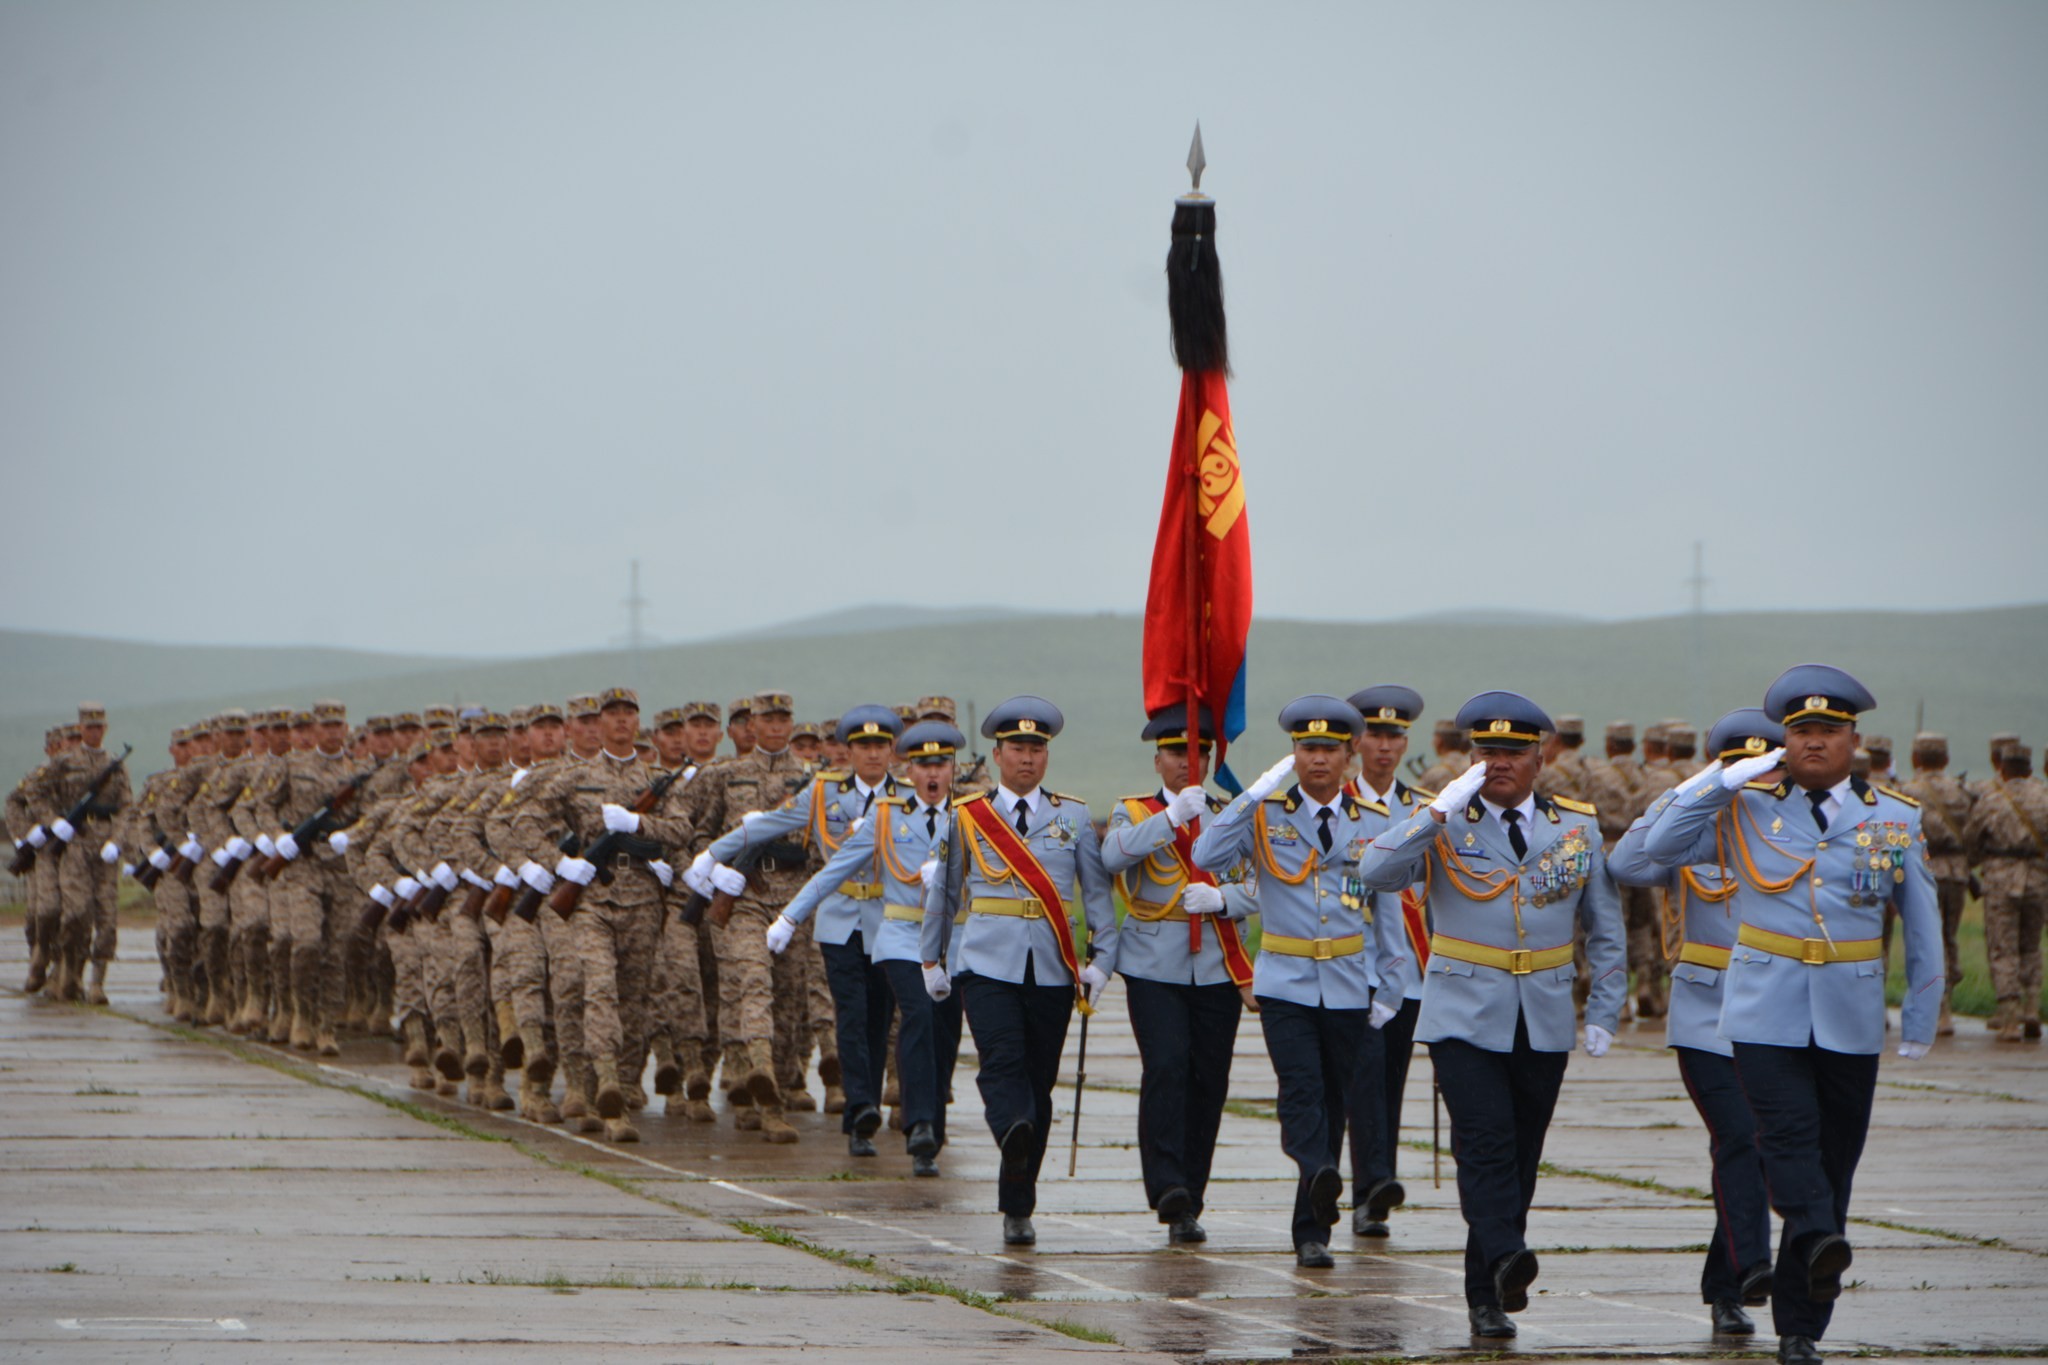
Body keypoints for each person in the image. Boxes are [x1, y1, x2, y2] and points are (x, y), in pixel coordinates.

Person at [1640, 664, 1942, 1365]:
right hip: (1762, 1007)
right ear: (1785, 740)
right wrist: (1720, 781)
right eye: (1801, 730)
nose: (1814, 741)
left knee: (1835, 1162)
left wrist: (1921, 1016)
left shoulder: (1894, 817)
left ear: (1853, 739)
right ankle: (1813, 1241)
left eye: (1828, 730)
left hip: (1850, 1009)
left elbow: (1922, 922)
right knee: (1784, 1138)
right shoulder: (1747, 807)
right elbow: (1656, 848)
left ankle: (1803, 1326)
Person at [1357, 691, 1625, 1338]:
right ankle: (1505, 1255)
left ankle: (1491, 1286)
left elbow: (1605, 926)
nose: (1497, 762)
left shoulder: (1575, 826)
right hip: (1463, 1011)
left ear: (1540, 759)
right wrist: (1434, 812)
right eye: (1486, 751)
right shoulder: (1446, 820)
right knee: (1484, 1143)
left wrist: (1606, 1005)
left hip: (1544, 1013)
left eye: (1511, 752)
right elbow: (1376, 870)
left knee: (1522, 1153)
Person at [1193, 695, 1407, 1268]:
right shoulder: (1267, 814)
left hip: (1348, 981)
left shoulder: (1374, 822)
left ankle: (1312, 1233)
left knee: (1334, 1100)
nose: (1318, 759)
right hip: (1285, 981)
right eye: (1307, 748)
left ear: (1348, 755)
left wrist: (1392, 986)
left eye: (1329, 750)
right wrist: (1250, 797)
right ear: (1293, 754)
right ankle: (1317, 1170)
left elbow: (1387, 912)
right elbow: (1207, 854)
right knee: (1301, 1088)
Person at [920, 695, 1118, 1248]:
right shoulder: (967, 815)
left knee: (1039, 1082)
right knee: (1001, 1063)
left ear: (1046, 756)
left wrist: (1103, 960)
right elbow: (944, 893)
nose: (1027, 758)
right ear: (998, 755)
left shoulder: (1072, 816)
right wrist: (931, 958)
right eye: (1017, 748)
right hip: (986, 962)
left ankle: (1018, 1202)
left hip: (1052, 966)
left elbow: (1096, 895)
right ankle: (1011, 1126)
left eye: (1036, 748)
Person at [1611, 707, 1784, 1338]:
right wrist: (1691, 790)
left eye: (1765, 768)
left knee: (1760, 1149)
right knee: (1738, 1136)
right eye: (1741, 767)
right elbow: (1627, 863)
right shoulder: (1693, 831)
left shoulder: (1788, 833)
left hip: (1773, 1010)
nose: (1755, 780)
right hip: (1705, 1014)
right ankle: (1752, 1266)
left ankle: (1725, 1285)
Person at [779, 719, 965, 1175]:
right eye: (924, 766)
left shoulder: (970, 817)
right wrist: (790, 916)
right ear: (910, 772)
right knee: (917, 1014)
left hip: (953, 941)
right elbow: (836, 868)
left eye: (941, 764)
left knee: (944, 1031)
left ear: (953, 770)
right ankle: (919, 1127)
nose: (933, 774)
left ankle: (932, 1127)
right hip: (900, 936)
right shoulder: (886, 816)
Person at [1100, 702, 1254, 1244]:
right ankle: (1167, 1186)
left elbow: (1263, 881)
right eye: (1176, 753)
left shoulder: (1228, 815)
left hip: (1215, 964)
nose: (1189, 763)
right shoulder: (1133, 811)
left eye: (1198, 754)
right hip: (1153, 963)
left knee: (1209, 1079)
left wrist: (1225, 899)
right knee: (1166, 1066)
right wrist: (1169, 820)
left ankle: (1191, 1193)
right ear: (1158, 760)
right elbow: (1112, 857)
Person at [737, 705, 905, 1156]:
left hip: (889, 921)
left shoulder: (908, 797)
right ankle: (860, 1111)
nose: (873, 754)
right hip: (841, 920)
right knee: (850, 1014)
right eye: (864, 746)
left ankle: (867, 1100)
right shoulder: (825, 791)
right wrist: (714, 856)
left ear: (892, 750)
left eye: (881, 746)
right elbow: (772, 824)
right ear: (849, 751)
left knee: (880, 1018)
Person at [1342, 683, 1432, 1238]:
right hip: (1355, 968)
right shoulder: (1339, 805)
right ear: (1357, 742)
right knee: (1364, 1079)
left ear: (1404, 744)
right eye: (1375, 735)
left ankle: (1376, 1191)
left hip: (1412, 971)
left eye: (1394, 737)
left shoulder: (1426, 810)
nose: (1384, 746)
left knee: (1391, 1082)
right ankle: (1371, 1186)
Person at [1963, 742, 2047, 1042]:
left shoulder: (1991, 800)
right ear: (2030, 768)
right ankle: (2032, 1007)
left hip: (2000, 880)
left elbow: (1971, 839)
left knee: (2003, 947)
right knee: (2031, 946)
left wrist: (1977, 863)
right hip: (2037, 879)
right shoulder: (2044, 797)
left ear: (2003, 768)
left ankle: (2010, 1018)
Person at [1899, 734, 1973, 1036]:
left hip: (1922, 869)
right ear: (1945, 759)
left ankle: (1934, 1008)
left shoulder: (1907, 791)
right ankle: (1947, 1007)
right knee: (1949, 936)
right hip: (1956, 871)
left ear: (1916, 758)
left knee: (1925, 938)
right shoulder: (1961, 791)